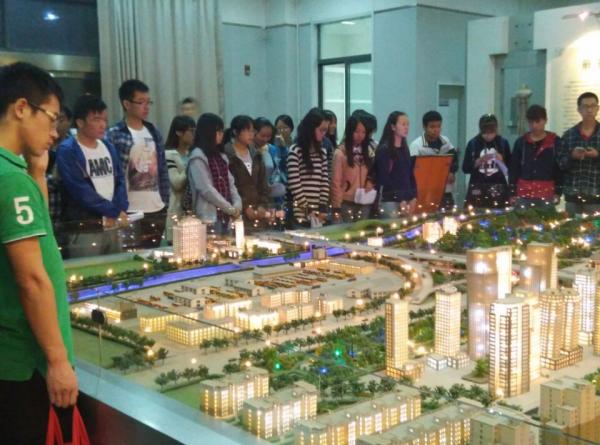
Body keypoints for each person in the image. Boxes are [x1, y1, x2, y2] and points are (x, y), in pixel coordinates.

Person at [0, 62, 77, 443]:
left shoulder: (15, 174)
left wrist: (37, 172)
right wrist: (58, 361)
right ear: (21, 108)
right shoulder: (10, 180)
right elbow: (31, 280)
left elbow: (37, 228)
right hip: (24, 363)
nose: (55, 132)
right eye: (51, 118)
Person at [56, 95, 129, 258]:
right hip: (86, 226)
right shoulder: (68, 150)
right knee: (87, 268)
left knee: (117, 266)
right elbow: (80, 190)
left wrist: (120, 207)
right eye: (96, 119)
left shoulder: (108, 146)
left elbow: (119, 179)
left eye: (104, 119)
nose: (103, 124)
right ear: (80, 122)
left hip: (112, 223)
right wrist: (114, 211)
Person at [107, 79, 169, 248]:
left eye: (149, 102)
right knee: (130, 255)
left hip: (156, 208)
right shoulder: (115, 134)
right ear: (126, 104)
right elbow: (113, 175)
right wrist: (117, 207)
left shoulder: (153, 131)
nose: (146, 107)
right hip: (130, 210)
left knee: (153, 255)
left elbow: (162, 169)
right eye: (141, 102)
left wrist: (165, 201)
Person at [187, 113, 242, 234]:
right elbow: (205, 189)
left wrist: (237, 204)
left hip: (227, 216)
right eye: (219, 131)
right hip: (208, 217)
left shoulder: (220, 155)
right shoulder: (198, 156)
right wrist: (229, 208)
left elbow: (230, 184)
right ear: (209, 132)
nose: (222, 134)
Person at [223, 115, 272, 228]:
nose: (251, 134)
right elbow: (229, 186)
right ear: (235, 132)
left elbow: (263, 183)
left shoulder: (256, 154)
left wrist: (263, 205)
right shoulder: (227, 155)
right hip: (236, 211)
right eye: (247, 131)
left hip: (258, 211)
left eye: (252, 131)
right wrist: (244, 206)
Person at [509, 105, 562, 208]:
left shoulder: (555, 141)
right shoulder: (521, 142)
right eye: (530, 122)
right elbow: (514, 169)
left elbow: (559, 169)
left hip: (547, 193)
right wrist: (512, 193)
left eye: (537, 121)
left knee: (546, 218)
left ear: (545, 120)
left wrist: (558, 192)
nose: (534, 125)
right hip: (523, 193)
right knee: (522, 218)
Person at [557, 92, 600, 216]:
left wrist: (597, 156)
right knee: (571, 227)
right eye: (585, 106)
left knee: (595, 228)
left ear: (598, 108)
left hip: (596, 196)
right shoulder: (569, 135)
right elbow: (560, 164)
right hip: (573, 196)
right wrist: (572, 156)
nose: (589, 110)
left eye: (593, 106)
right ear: (579, 109)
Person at [287, 108, 330, 227]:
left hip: (318, 214)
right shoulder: (295, 151)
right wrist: (309, 210)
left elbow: (324, 182)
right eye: (321, 130)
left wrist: (322, 208)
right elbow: (295, 185)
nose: (323, 133)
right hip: (299, 214)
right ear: (311, 128)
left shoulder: (322, 152)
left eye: (325, 130)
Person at [369, 111, 417, 218]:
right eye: (403, 124)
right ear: (393, 127)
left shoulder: (405, 149)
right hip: (389, 201)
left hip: (405, 199)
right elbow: (383, 179)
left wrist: (414, 196)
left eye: (408, 124)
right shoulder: (384, 150)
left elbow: (410, 175)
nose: (406, 127)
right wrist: (400, 198)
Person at [409, 110, 458, 209]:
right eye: (432, 127)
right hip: (425, 193)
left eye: (439, 126)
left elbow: (454, 160)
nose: (436, 130)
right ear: (424, 127)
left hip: (445, 191)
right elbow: (411, 169)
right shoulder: (416, 145)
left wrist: (452, 172)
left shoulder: (446, 142)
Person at [331, 114, 375, 222]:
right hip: (346, 202)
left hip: (365, 200)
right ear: (350, 131)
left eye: (363, 132)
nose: (360, 135)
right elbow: (336, 181)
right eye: (356, 131)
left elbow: (374, 172)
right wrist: (336, 206)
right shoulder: (340, 153)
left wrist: (370, 182)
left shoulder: (369, 151)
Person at [462, 114, 511, 209]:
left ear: (496, 129)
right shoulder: (473, 143)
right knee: (476, 214)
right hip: (478, 186)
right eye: (485, 133)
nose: (488, 136)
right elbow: (465, 168)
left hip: (498, 187)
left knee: (499, 214)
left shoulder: (502, 143)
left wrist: (501, 161)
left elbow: (509, 170)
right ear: (481, 130)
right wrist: (477, 162)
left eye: (491, 132)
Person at [164, 115, 196, 243]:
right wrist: (191, 163)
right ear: (178, 132)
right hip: (176, 210)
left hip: (192, 211)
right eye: (191, 131)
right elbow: (176, 183)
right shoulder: (169, 154)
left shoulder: (191, 154)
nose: (194, 135)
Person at [253, 117, 287, 209]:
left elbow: (281, 169)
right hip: (255, 196)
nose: (265, 139)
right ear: (254, 132)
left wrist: (283, 149)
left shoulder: (272, 149)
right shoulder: (250, 151)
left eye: (268, 136)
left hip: (272, 196)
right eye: (262, 136)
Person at [273, 114, 294, 181]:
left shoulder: (295, 145)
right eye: (279, 128)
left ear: (291, 129)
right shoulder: (272, 146)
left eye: (285, 128)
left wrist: (285, 147)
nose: (282, 131)